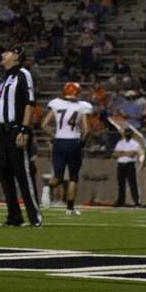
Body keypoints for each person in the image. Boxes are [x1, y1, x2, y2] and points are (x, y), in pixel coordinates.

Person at [0, 45, 42, 227]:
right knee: (4, 175)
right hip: (0, 132)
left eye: (7, 52)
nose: (2, 54)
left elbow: (30, 102)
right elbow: (0, 106)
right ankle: (14, 216)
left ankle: (34, 216)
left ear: (16, 56)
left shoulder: (23, 73)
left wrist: (25, 129)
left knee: (22, 174)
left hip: (15, 130)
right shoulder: (5, 78)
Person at [41, 82, 93, 216]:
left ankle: (48, 187)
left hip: (59, 142)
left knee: (57, 177)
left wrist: (54, 136)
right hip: (73, 142)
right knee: (73, 177)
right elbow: (87, 131)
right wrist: (82, 143)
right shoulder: (82, 106)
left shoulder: (56, 103)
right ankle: (69, 209)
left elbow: (44, 125)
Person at [113, 128, 142, 207]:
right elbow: (115, 154)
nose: (127, 134)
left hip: (130, 165)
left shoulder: (135, 143)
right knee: (121, 185)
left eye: (129, 133)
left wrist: (122, 153)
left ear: (131, 134)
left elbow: (133, 154)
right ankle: (120, 201)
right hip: (120, 165)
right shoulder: (120, 143)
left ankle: (137, 201)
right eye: (126, 132)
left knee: (133, 184)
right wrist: (126, 153)